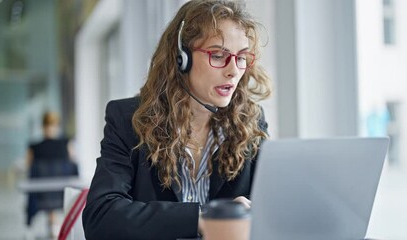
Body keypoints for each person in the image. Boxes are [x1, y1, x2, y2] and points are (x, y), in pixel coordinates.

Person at [82, 0, 271, 239]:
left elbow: (268, 210)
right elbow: (101, 217)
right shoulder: (128, 120)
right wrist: (203, 218)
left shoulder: (251, 123)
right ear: (182, 58)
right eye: (218, 55)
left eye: (241, 57)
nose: (233, 70)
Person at [26, 111, 78, 237]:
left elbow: (29, 168)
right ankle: (56, 226)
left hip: (41, 197)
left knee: (45, 186)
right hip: (63, 193)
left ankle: (53, 223)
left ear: (42, 126)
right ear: (58, 126)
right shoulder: (66, 144)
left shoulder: (34, 147)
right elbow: (74, 165)